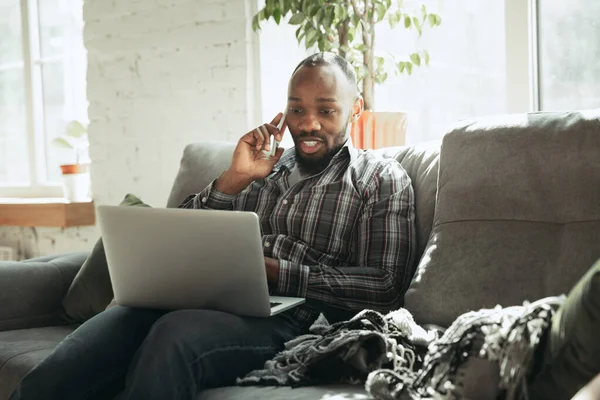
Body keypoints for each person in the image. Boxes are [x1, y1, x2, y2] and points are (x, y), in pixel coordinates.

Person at [10, 52, 415, 400]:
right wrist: (233, 179)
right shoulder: (264, 169)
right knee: (88, 346)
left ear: (355, 109)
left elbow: (384, 286)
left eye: (326, 110)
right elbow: (181, 234)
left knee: (175, 334)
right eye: (296, 109)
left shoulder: (379, 178)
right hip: (207, 299)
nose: (308, 124)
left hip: (295, 320)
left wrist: (277, 271)